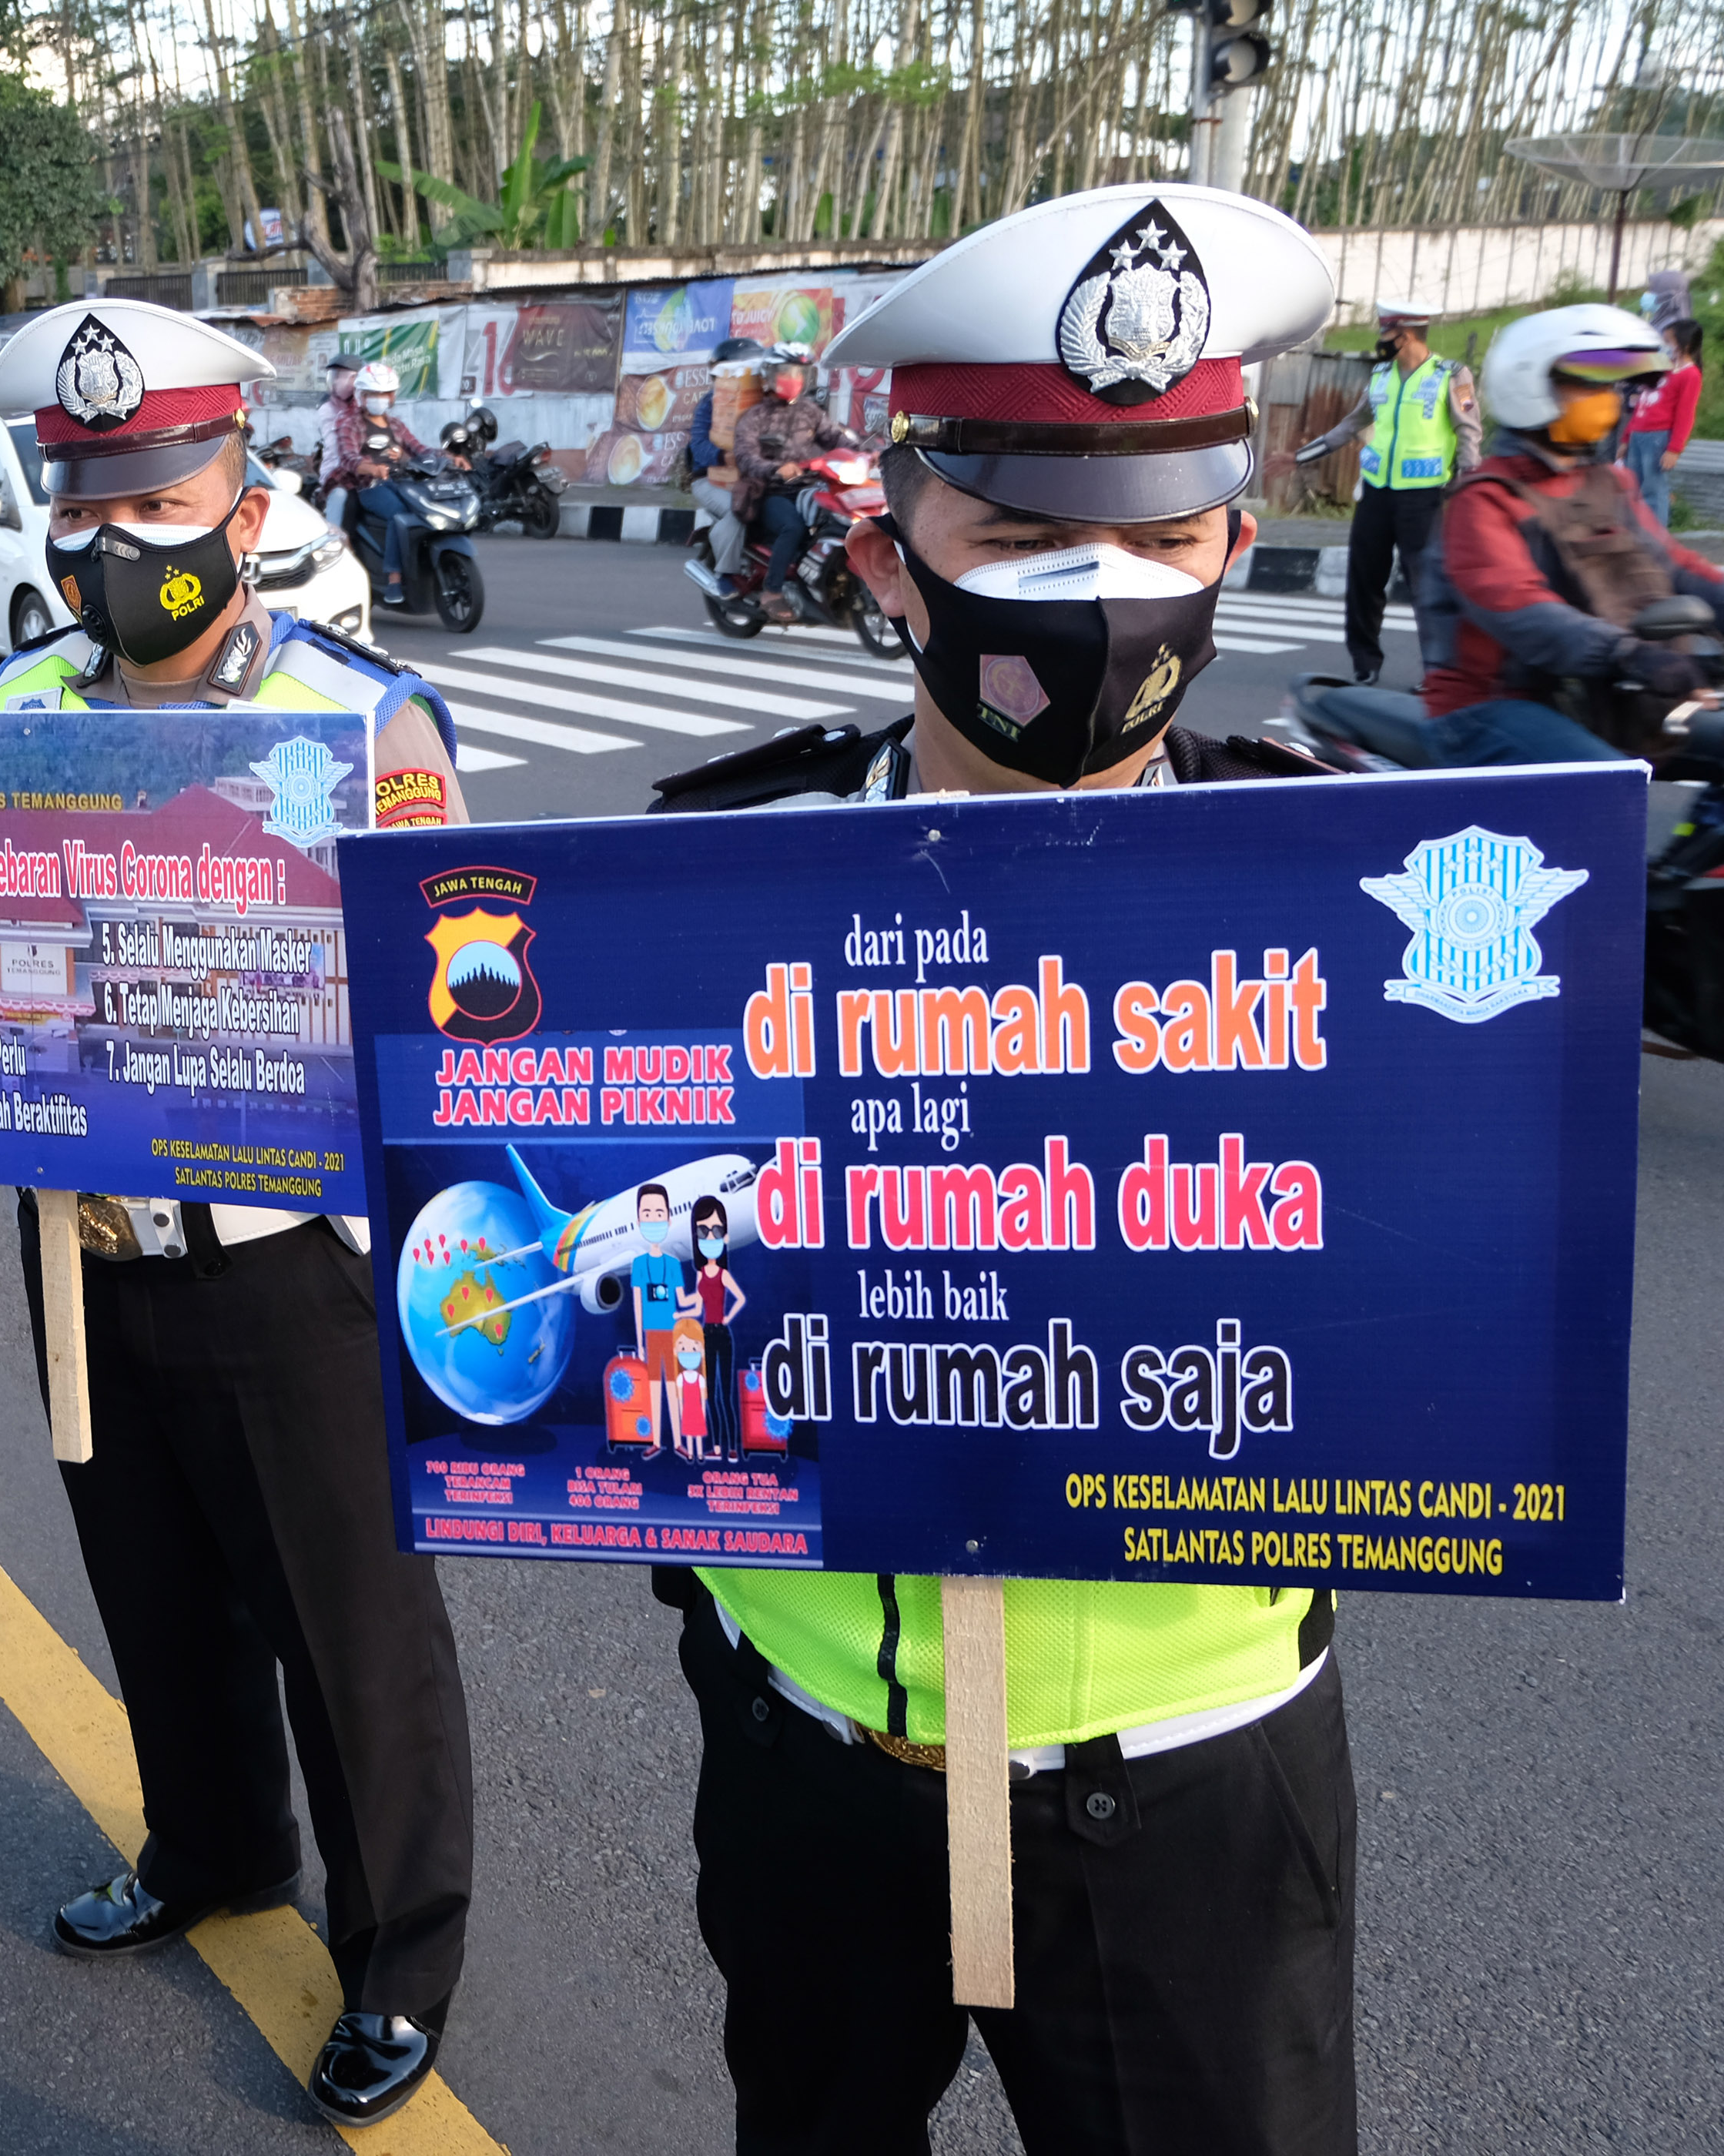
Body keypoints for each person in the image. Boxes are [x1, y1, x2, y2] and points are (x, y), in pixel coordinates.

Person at [649, 183, 1364, 2154]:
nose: (1104, 589)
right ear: (894, 557)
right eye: (1028, 535)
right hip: (812, 1757)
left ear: (1234, 540)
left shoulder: (1350, 907)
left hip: (1201, 1781)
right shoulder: (705, 881)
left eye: (1163, 532)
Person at [0, 297, 477, 2131]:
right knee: (152, 1582)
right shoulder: (25, 710)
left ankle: (402, 1956)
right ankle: (211, 1849)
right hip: (79, 1248)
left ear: (245, 503)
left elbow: (452, 1010)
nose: (121, 542)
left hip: (292, 1267)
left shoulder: (363, 726)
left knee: (352, 1633)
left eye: (161, 497)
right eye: (85, 503)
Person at [1418, 302, 1724, 767]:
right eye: (1587, 384)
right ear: (1530, 385)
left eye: (1612, 387)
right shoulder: (1485, 499)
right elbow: (1522, 608)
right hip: (1491, 706)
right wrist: (1628, 654)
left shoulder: (1610, 483)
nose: (1607, 400)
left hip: (1595, 696)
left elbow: (1676, 567)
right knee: (1612, 789)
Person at [1286, 299, 1482, 683]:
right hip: (1375, 494)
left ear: (1404, 335)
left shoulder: (1451, 376)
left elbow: (1469, 434)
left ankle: (1439, 674)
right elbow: (1349, 426)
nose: (1379, 339)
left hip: (1424, 498)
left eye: (1384, 332)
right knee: (1364, 581)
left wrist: (1466, 489)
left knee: (1428, 587)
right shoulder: (1380, 376)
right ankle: (1365, 665)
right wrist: (1298, 457)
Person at [727, 343, 857, 616]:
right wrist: (776, 469)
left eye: (799, 373)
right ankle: (771, 591)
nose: (794, 379)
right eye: (787, 372)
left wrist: (869, 453)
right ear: (770, 375)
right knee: (793, 528)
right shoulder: (754, 417)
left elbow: (836, 439)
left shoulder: (810, 412)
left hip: (810, 488)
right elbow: (746, 457)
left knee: (842, 520)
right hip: (771, 493)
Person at [330, 360, 437, 607]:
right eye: (374, 394)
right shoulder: (350, 424)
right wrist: (372, 468)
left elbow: (420, 450)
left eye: (385, 393)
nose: (381, 398)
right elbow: (348, 457)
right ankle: (394, 579)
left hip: (402, 483)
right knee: (399, 516)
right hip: (369, 487)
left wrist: (451, 456)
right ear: (362, 396)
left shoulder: (396, 425)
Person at [682, 336, 767, 581]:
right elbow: (698, 446)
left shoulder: (765, 403)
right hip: (710, 479)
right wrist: (723, 456)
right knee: (737, 512)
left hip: (754, 477)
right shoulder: (712, 403)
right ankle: (725, 575)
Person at [625, 1182, 685, 1454]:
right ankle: (656, 1442)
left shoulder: (673, 1264)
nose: (653, 1220)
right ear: (639, 1221)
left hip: (673, 1335)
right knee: (653, 1389)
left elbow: (682, 1301)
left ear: (669, 1219)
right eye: (647, 1215)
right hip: (651, 1335)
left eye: (659, 1214)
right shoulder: (638, 1265)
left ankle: (679, 1442)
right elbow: (638, 1305)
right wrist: (639, 1342)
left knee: (674, 1388)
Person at [1626, 315, 1703, 527]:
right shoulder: (1662, 370)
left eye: (1668, 342)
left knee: (1653, 489)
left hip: (1658, 438)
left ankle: (1657, 537)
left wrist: (1675, 449)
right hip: (1637, 435)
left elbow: (1685, 414)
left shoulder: (1690, 375)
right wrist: (1626, 438)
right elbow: (1642, 403)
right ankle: (1638, 532)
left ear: (1685, 344)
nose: (1664, 346)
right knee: (1632, 485)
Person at [686, 1192, 745, 1462]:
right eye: (703, 1231)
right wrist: (679, 1307)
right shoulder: (700, 1275)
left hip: (722, 1334)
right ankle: (719, 1448)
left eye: (717, 1230)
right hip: (705, 1334)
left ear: (725, 1236)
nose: (710, 1237)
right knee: (709, 1394)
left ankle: (733, 1448)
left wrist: (728, 1318)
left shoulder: (723, 1274)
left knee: (726, 1394)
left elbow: (740, 1298)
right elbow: (696, 1305)